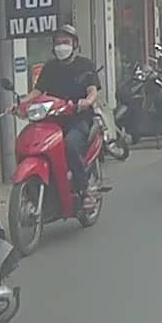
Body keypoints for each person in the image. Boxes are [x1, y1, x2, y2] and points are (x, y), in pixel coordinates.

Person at [19, 25, 99, 213]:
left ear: (74, 44)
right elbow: (37, 92)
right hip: (52, 120)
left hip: (78, 118)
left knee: (70, 144)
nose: (61, 46)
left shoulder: (85, 65)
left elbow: (93, 91)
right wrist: (21, 103)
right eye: (58, 43)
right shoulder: (50, 67)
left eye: (66, 42)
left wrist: (87, 102)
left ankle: (85, 190)